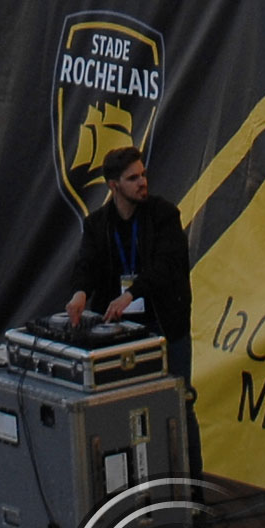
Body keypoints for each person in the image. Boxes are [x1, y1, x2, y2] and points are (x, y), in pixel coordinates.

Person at [64, 145, 193, 389]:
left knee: (179, 400)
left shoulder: (164, 215)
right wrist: (80, 292)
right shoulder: (97, 224)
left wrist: (130, 294)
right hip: (118, 329)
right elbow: (86, 265)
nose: (142, 182)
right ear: (114, 185)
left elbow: (165, 267)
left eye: (143, 175)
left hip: (163, 325)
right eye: (133, 178)